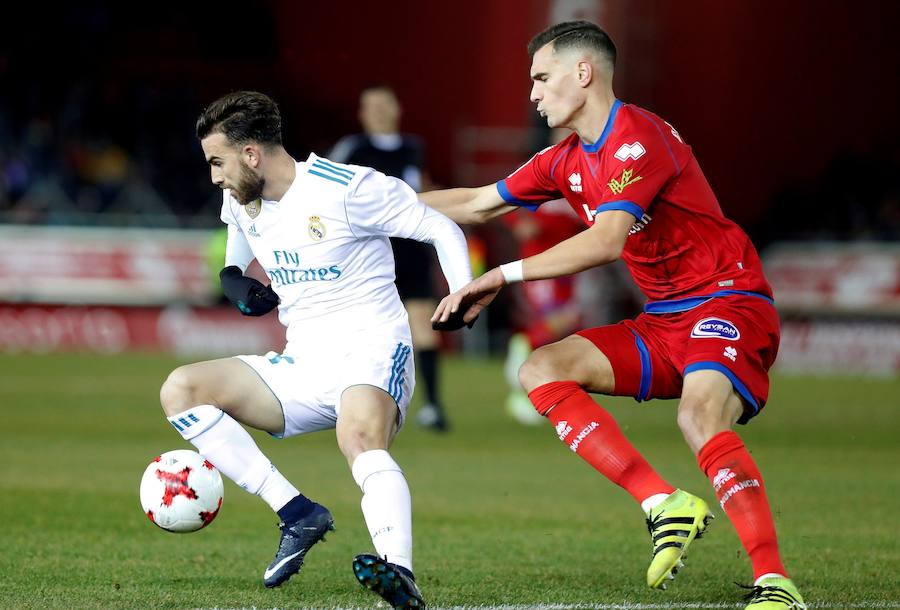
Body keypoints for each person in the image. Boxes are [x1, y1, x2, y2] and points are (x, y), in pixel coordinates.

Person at [425, 21, 805, 610]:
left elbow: (605, 240)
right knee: (541, 369)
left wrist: (501, 275)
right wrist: (364, 204)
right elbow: (476, 202)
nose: (532, 93)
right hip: (663, 320)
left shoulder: (637, 137)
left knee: (699, 416)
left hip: (726, 299)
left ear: (584, 73)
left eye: (541, 77)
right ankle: (664, 504)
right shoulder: (564, 160)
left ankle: (774, 583)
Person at [159, 91, 472, 609]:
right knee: (182, 389)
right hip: (303, 363)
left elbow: (440, 225)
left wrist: (462, 291)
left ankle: (400, 575)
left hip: (372, 348)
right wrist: (234, 279)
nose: (214, 176)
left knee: (358, 437)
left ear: (252, 154)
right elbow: (238, 251)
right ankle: (297, 512)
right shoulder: (241, 196)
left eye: (218, 162)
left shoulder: (346, 188)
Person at [331, 85, 450, 432]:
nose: (379, 111)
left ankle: (433, 406)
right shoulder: (353, 148)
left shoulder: (414, 148)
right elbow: (327, 192)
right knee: (357, 329)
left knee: (423, 326)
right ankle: (343, 400)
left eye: (385, 103)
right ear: (362, 113)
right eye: (371, 105)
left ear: (397, 108)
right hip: (367, 253)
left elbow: (422, 190)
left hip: (410, 251)